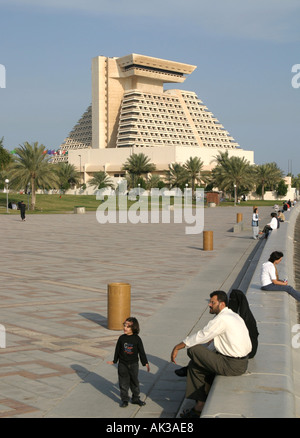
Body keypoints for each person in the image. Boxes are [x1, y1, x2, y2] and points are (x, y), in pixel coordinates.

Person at [171, 291, 252, 417]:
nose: (209, 304)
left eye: (212, 302)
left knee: (193, 349)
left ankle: (200, 405)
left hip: (232, 364)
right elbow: (214, 343)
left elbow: (201, 336)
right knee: (194, 366)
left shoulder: (222, 319)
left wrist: (177, 347)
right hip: (240, 362)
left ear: (222, 304)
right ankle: (199, 405)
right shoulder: (233, 315)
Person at [107, 317, 150, 408]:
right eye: (124, 325)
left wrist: (145, 362)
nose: (125, 328)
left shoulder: (137, 339)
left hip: (134, 364)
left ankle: (135, 398)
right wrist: (115, 360)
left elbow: (141, 351)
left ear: (134, 328)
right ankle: (125, 400)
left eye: (128, 326)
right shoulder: (121, 338)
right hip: (122, 364)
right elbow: (117, 350)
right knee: (123, 382)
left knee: (134, 382)